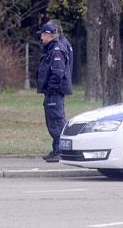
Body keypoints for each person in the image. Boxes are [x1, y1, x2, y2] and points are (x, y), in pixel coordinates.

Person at [36, 22, 72, 162]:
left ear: (48, 35)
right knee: (53, 120)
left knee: (56, 121)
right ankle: (57, 148)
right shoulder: (51, 49)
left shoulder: (56, 50)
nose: (41, 38)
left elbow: (57, 73)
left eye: (42, 35)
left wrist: (50, 90)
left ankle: (61, 151)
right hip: (52, 92)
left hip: (54, 93)